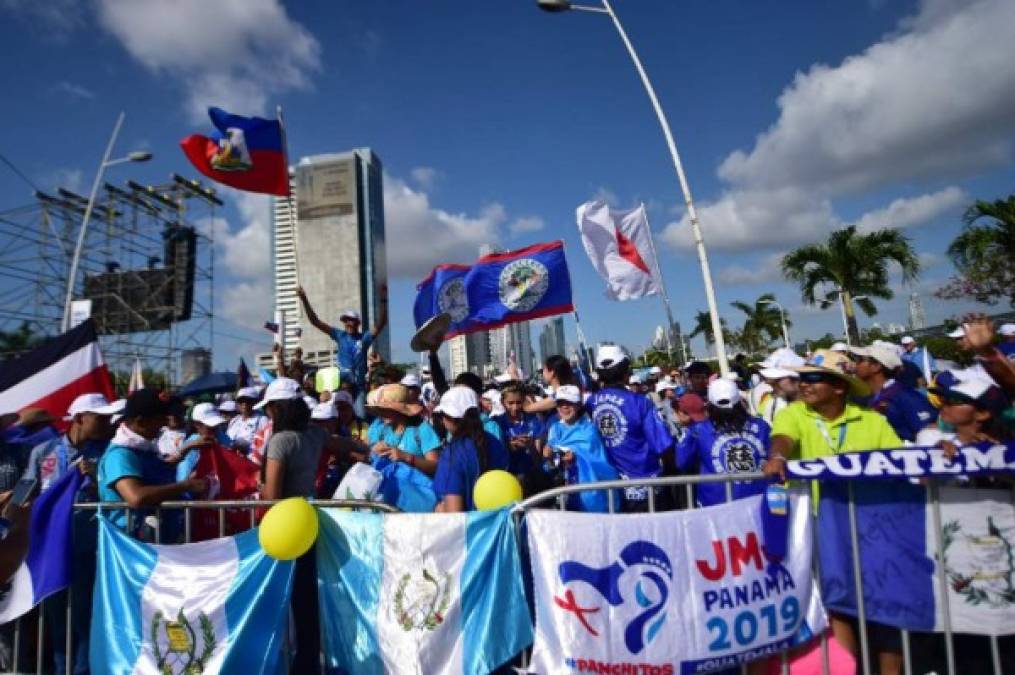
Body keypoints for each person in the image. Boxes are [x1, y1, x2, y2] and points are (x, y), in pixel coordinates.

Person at [763, 350, 904, 675]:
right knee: (837, 606)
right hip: (821, 525)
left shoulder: (872, 420)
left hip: (874, 526)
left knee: (886, 606)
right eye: (802, 378)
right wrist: (778, 456)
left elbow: (902, 461)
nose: (804, 385)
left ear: (839, 386)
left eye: (813, 378)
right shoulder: (795, 414)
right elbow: (782, 438)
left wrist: (940, 451)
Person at [259, 377, 325, 674]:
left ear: (277, 409)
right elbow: (352, 446)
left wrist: (256, 487)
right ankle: (306, 663)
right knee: (306, 600)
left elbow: (271, 496)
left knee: (280, 601)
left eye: (270, 408)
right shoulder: (315, 435)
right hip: (308, 524)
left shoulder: (281, 441)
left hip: (283, 529)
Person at [98, 389, 208, 540]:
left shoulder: (143, 449)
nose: (164, 424)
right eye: (160, 418)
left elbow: (157, 471)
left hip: (155, 541)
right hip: (131, 546)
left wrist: (189, 449)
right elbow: (136, 497)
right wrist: (185, 486)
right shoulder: (120, 456)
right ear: (140, 421)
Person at [586, 345, 674, 512]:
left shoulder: (590, 404)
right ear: (625, 371)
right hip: (647, 490)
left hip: (610, 490)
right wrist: (671, 472)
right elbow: (662, 445)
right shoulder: (640, 402)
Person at [675, 379, 770, 508]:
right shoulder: (762, 426)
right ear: (739, 401)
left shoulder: (698, 430)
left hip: (716, 507)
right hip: (758, 502)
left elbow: (682, 462)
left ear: (709, 404)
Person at [297, 284, 388, 417]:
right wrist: (304, 299)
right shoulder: (339, 335)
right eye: (345, 321)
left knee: (361, 416)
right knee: (329, 411)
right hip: (339, 383)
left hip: (358, 386)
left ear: (358, 323)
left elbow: (381, 323)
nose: (348, 323)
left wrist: (383, 301)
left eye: (351, 320)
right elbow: (315, 321)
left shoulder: (365, 338)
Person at [432, 386, 508, 512]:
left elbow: (453, 512)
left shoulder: (453, 453)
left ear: (450, 418)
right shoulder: (495, 442)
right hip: (498, 527)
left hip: (469, 529)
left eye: (442, 415)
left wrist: (438, 509)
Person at [543, 385, 618, 511]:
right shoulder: (554, 428)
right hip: (564, 491)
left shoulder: (590, 429)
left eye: (569, 403)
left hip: (588, 491)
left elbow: (597, 460)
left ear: (578, 405)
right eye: (560, 403)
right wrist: (549, 454)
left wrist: (576, 457)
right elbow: (551, 456)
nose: (564, 407)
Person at [851, 343, 937, 442]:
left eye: (860, 360)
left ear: (876, 367)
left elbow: (930, 436)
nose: (855, 364)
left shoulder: (907, 397)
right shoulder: (869, 397)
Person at [368, 384, 441, 477]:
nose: (381, 413)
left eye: (386, 409)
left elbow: (436, 467)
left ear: (400, 410)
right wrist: (373, 452)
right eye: (380, 409)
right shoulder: (383, 430)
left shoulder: (422, 429)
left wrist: (407, 457)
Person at [172, 402, 232, 482]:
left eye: (216, 425)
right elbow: (183, 482)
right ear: (196, 425)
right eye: (209, 426)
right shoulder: (191, 446)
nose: (214, 429)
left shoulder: (223, 437)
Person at [495, 383, 544, 479]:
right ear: (502, 402)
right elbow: (495, 457)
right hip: (507, 477)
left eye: (518, 402)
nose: (515, 407)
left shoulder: (534, 421)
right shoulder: (497, 423)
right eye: (510, 403)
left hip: (531, 477)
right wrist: (510, 447)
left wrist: (530, 446)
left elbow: (538, 461)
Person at [227, 386, 270, 456]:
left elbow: (265, 445)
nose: (244, 404)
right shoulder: (234, 420)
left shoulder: (262, 420)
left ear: (255, 402)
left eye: (248, 401)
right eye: (241, 401)